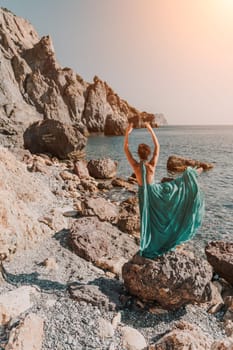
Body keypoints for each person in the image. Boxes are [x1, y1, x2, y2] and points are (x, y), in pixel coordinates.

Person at [124, 122, 204, 259]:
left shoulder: (136, 166)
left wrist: (127, 133)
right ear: (148, 154)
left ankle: (151, 244)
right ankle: (192, 174)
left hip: (145, 195)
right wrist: (150, 130)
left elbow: (126, 149)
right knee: (176, 189)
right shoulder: (152, 165)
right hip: (156, 192)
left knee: (149, 221)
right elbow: (158, 146)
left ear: (138, 154)